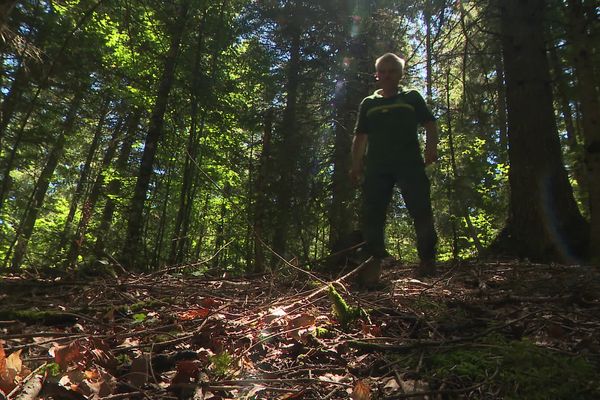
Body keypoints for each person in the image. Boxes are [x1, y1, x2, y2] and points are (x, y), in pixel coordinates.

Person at [350, 52, 438, 279]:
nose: (387, 76)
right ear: (377, 75)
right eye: (383, 72)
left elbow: (430, 124)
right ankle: (372, 267)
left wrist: (431, 149)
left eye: (392, 71)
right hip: (377, 169)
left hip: (410, 165)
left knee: (421, 210)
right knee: (373, 215)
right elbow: (360, 137)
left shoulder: (411, 98)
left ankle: (427, 260)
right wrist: (356, 165)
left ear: (400, 74)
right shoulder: (369, 103)